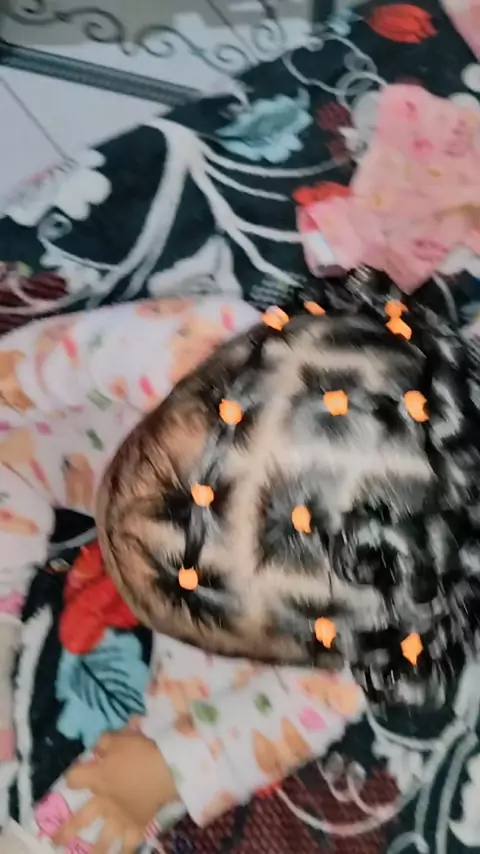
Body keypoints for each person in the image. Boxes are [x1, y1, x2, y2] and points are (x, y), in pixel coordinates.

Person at [1, 269, 480, 852]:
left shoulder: (358, 624)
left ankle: (75, 825)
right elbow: (41, 365)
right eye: (144, 473)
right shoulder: (184, 343)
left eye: (166, 599)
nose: (112, 563)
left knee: (189, 746)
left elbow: (298, 716)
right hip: (87, 438)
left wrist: (172, 768)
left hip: (244, 637)